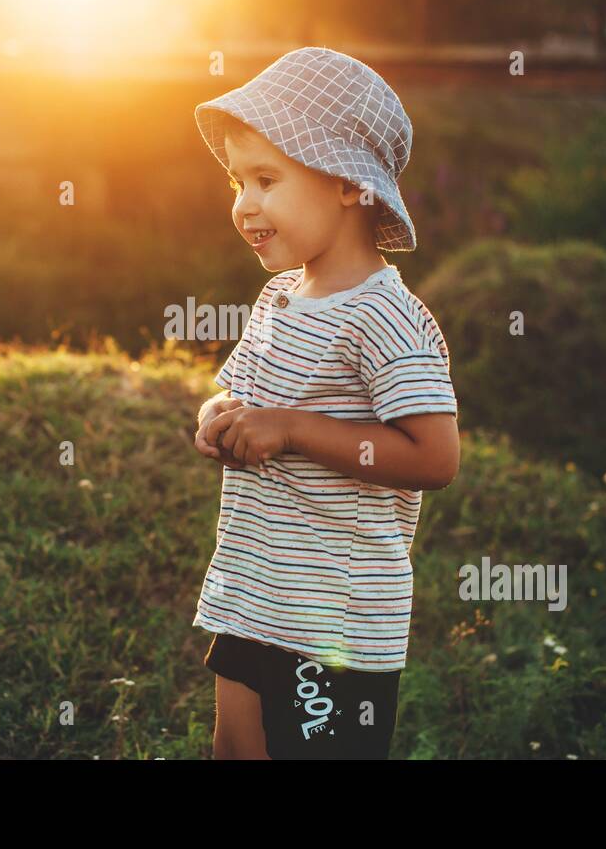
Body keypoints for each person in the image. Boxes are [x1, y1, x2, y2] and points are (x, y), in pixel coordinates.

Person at [190, 46, 461, 760]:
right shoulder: (279, 297)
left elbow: (435, 456)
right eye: (237, 182)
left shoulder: (386, 317)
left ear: (347, 183)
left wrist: (294, 430)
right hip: (255, 592)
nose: (245, 203)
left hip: (331, 625)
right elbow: (239, 391)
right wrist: (217, 416)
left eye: (267, 179)